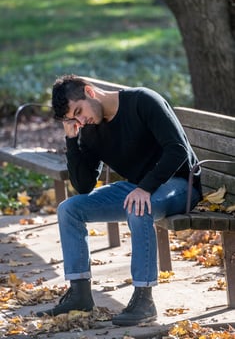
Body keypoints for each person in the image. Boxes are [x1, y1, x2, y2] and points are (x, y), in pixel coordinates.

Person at [36, 74, 201, 326]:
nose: (81, 120)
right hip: (137, 188)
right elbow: (83, 186)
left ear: (90, 92)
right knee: (69, 209)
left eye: (79, 111)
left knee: (138, 208)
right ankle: (80, 294)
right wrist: (72, 140)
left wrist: (145, 188)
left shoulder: (142, 101)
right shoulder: (90, 129)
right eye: (73, 118)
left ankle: (144, 300)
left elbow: (178, 149)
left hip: (180, 185)